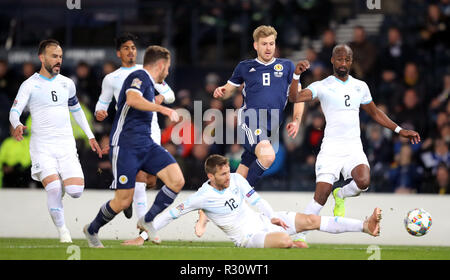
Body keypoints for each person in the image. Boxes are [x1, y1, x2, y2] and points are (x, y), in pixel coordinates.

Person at [288, 44, 421, 247]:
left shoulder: (360, 86)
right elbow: (295, 97)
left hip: (353, 148)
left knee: (364, 181)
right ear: (332, 60)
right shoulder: (322, 85)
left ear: (351, 61)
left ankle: (340, 194)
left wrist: (399, 130)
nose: (343, 63)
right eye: (339, 59)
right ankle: (299, 234)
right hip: (331, 149)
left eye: (347, 59)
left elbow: (375, 113)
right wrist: (296, 77)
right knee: (320, 196)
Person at [195, 25, 306, 238]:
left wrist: (297, 120)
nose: (268, 48)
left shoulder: (287, 67)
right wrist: (221, 91)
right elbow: (230, 88)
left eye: (271, 43)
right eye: (264, 44)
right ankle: (238, 200)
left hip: (270, 127)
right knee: (267, 155)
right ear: (255, 45)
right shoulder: (245, 67)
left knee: (237, 176)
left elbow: (298, 97)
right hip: (250, 119)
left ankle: (206, 209)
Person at [138, 154, 382, 249]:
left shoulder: (235, 179)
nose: (228, 177)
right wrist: (144, 236)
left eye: (228, 172)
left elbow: (256, 199)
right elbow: (171, 214)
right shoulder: (201, 197)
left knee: (310, 219)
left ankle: (366, 226)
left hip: (264, 221)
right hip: (248, 238)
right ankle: (292, 244)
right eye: (222, 174)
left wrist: (273, 215)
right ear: (210, 176)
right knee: (287, 241)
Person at [83, 45, 184, 248]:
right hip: (125, 146)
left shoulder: (149, 81)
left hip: (146, 144)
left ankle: (146, 220)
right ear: (162, 65)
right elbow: (132, 99)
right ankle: (92, 229)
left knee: (176, 180)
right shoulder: (138, 76)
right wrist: (163, 109)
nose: (168, 71)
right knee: (122, 201)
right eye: (168, 67)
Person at [9, 39, 102, 243]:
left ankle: (58, 193)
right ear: (42, 57)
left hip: (66, 146)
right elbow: (15, 110)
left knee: (76, 192)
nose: (58, 60)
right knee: (53, 188)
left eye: (60, 56)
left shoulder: (67, 83)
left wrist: (91, 136)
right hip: (42, 147)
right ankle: (64, 232)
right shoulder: (30, 84)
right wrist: (16, 123)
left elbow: (76, 110)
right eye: (54, 56)